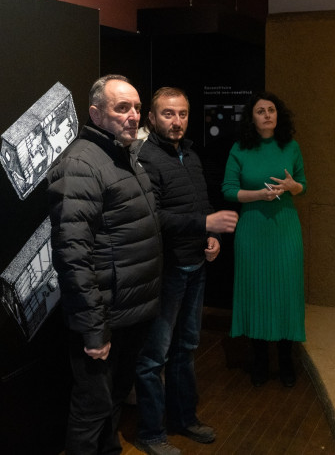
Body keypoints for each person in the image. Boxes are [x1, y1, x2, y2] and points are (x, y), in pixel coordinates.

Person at [46, 74, 163, 455]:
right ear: (96, 114)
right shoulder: (81, 164)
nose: (134, 115)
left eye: (137, 108)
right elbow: (73, 256)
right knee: (92, 408)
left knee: (111, 402)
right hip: (105, 316)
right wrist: (94, 329)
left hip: (130, 313)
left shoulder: (123, 156)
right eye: (122, 107)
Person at [134, 87, 239, 455]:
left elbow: (203, 205)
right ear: (151, 118)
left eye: (182, 114)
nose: (176, 121)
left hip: (196, 266)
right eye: (168, 114)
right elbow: (153, 217)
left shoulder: (190, 155)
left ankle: (184, 419)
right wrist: (204, 223)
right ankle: (150, 432)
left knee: (186, 348)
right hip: (167, 270)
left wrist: (212, 236)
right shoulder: (145, 158)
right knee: (154, 357)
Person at [222, 91, 307, 388]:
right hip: (252, 230)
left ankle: (286, 359)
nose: (267, 115)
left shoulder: (291, 146)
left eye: (271, 110)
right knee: (255, 292)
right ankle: (259, 359)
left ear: (278, 115)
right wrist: (259, 194)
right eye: (261, 111)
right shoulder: (240, 149)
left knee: (286, 292)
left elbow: (303, 186)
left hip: (285, 230)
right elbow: (228, 190)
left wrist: (293, 186)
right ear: (252, 118)